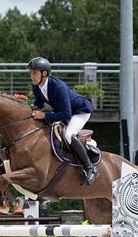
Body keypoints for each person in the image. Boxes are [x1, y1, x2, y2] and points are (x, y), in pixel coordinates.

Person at [27, 57, 99, 186]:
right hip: (64, 112)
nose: (32, 76)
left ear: (44, 73)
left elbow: (67, 113)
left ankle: (90, 168)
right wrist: (32, 109)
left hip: (80, 111)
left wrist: (44, 115)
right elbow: (39, 102)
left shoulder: (58, 87)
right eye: (31, 73)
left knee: (68, 135)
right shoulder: (36, 86)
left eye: (34, 72)